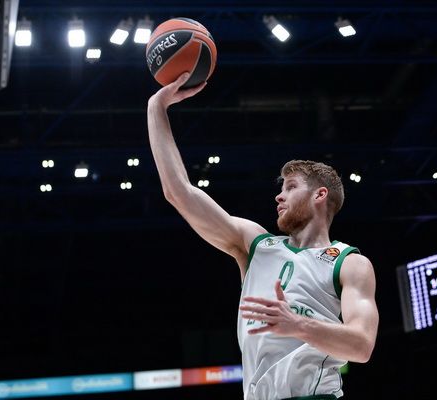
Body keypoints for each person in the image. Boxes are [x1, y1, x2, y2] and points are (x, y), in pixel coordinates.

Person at [147, 72, 379, 400]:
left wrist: (298, 325)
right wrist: (156, 108)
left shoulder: (350, 263)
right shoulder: (255, 244)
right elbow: (179, 192)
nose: (279, 196)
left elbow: (362, 345)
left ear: (320, 195)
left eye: (291, 187)